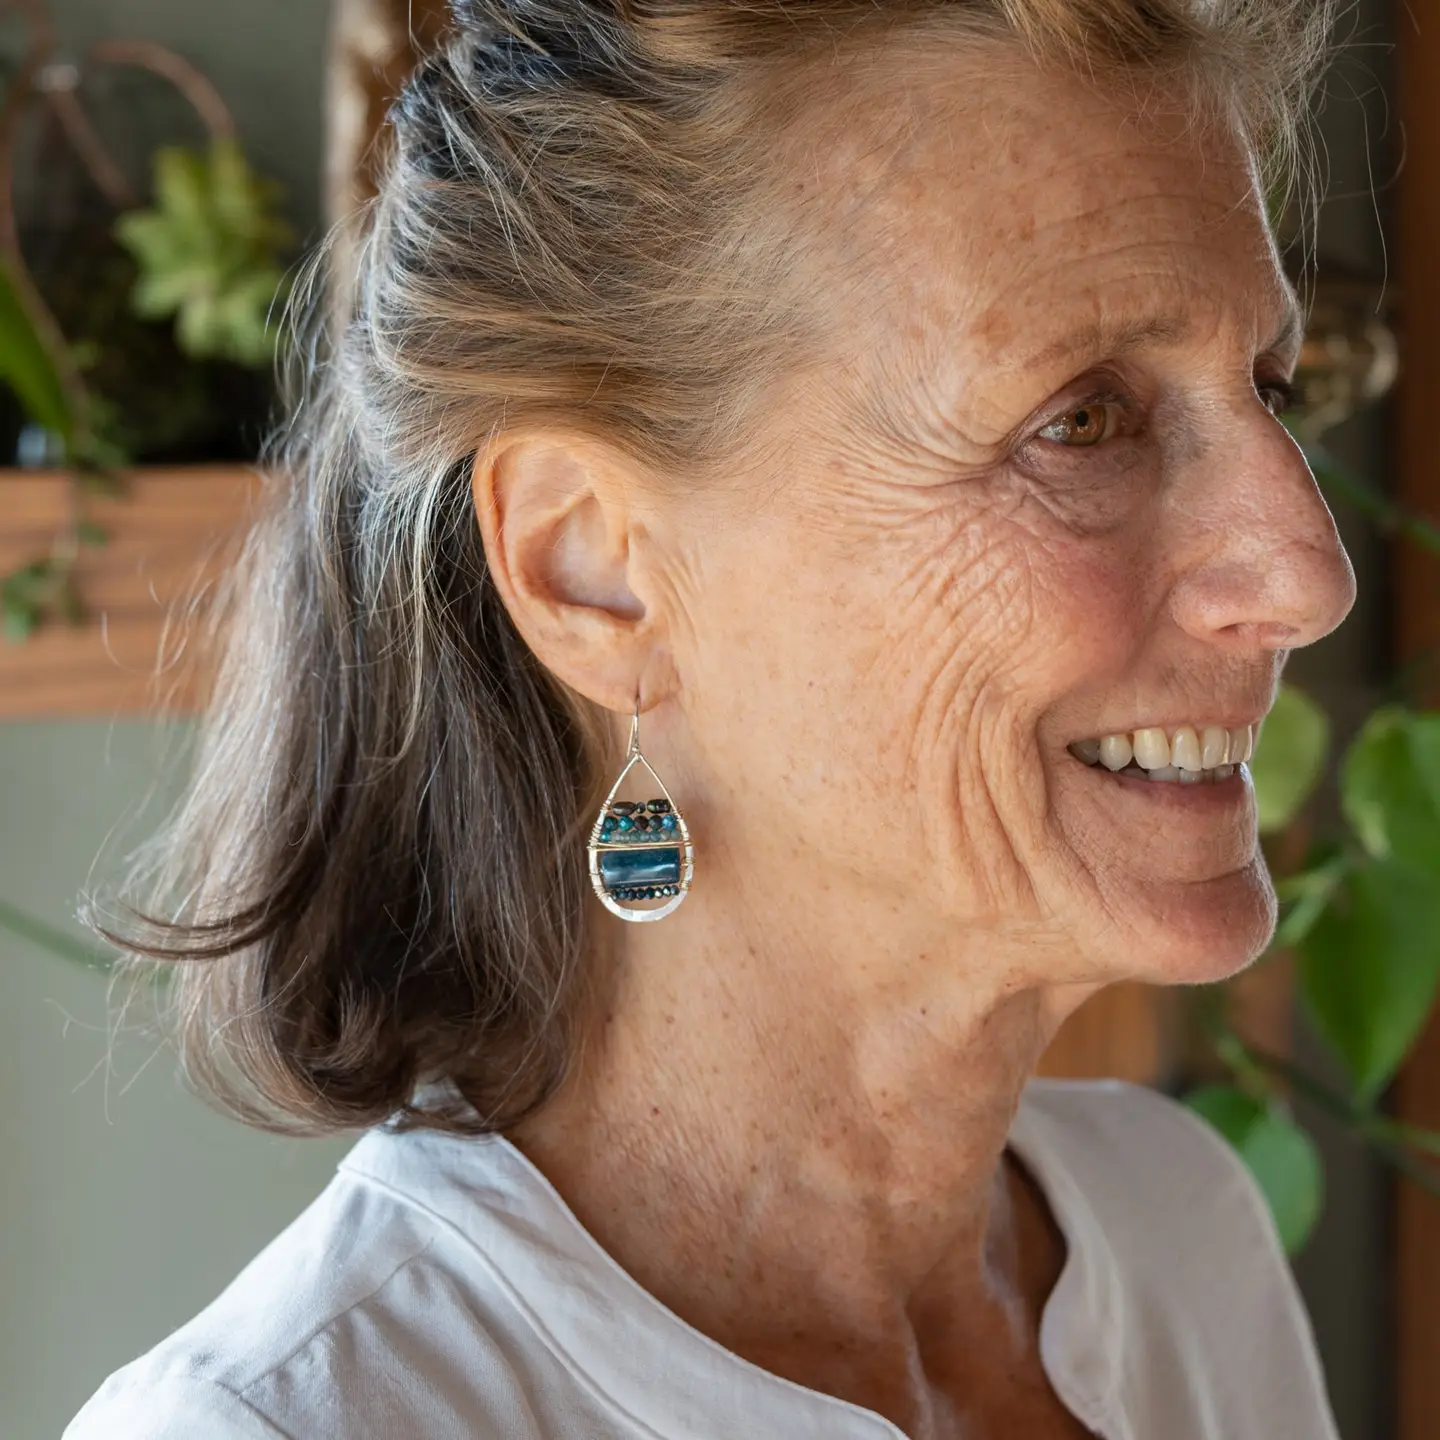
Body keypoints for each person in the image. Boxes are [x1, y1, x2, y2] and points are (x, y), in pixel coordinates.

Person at [66, 1, 1354, 1436]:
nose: (1304, 572)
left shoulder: (1181, 1235)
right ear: (593, 571)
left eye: (1268, 385)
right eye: (1081, 419)